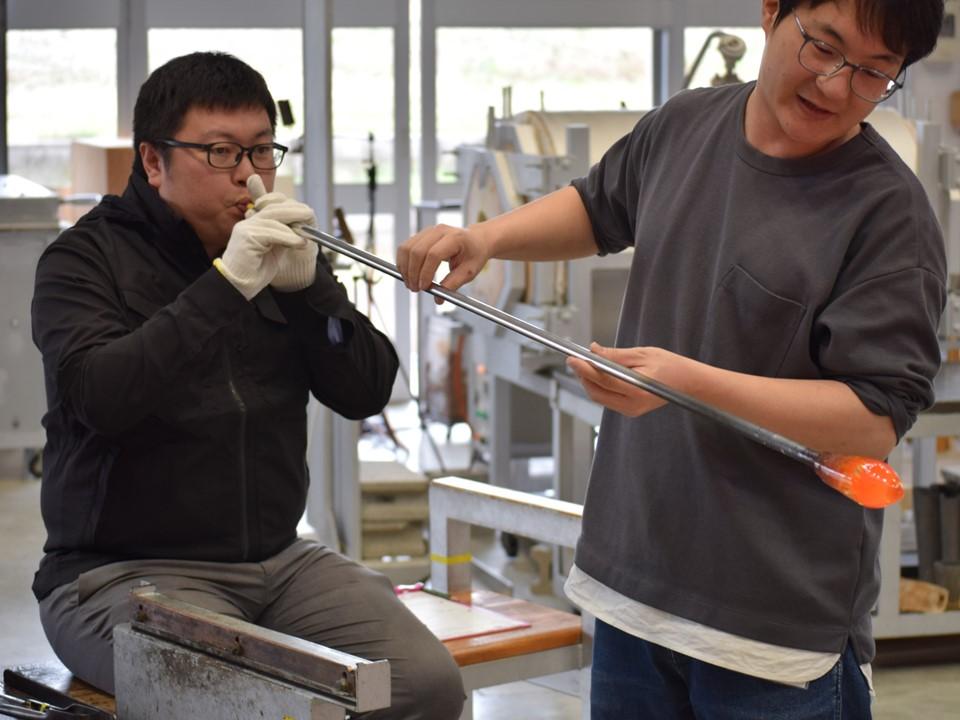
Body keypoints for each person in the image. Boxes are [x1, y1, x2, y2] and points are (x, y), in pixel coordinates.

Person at [398, 1, 946, 717]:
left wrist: (690, 385)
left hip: (770, 630)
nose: (837, 86)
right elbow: (598, 208)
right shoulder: (686, 125)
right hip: (633, 589)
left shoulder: (888, 213)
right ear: (772, 12)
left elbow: (873, 418)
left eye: (874, 74)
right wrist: (486, 238)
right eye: (823, 47)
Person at [31, 51, 464, 719]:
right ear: (153, 161)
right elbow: (101, 399)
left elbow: (367, 391)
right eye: (220, 153)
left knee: (424, 684)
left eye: (261, 151)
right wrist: (226, 284)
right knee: (242, 702)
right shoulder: (83, 261)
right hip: (122, 572)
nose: (248, 175)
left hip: (280, 562)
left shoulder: (275, 247)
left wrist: (311, 290)